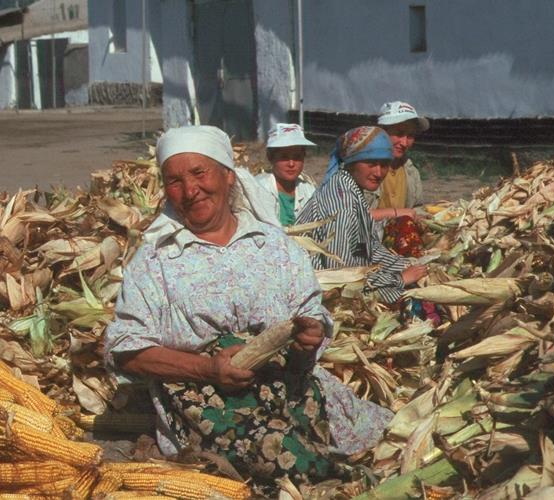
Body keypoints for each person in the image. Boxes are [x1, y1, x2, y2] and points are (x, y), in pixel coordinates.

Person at [103, 125, 392, 496]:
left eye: (199, 173)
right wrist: (207, 368)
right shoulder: (157, 258)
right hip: (203, 402)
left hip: (289, 385)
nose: (190, 191)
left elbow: (310, 315)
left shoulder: (272, 245)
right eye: (174, 181)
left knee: (381, 443)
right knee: (302, 470)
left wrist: (307, 339)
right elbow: (124, 350)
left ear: (227, 176)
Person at [297, 126, 428, 303]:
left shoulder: (352, 191)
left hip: (346, 279)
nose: (378, 172)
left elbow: (368, 248)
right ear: (352, 163)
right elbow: (341, 273)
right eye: (371, 163)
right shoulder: (341, 202)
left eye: (384, 165)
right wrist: (399, 279)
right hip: (323, 291)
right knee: (416, 302)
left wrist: (406, 264)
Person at [367, 101, 429, 221]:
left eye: (410, 135)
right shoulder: (361, 167)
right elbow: (349, 216)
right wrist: (396, 213)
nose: (404, 143)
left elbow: (417, 208)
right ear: (382, 131)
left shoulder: (411, 172)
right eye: (399, 133)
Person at [256, 123, 317, 226]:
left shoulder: (309, 191)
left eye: (297, 157)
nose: (291, 164)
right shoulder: (258, 189)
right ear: (270, 157)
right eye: (284, 157)